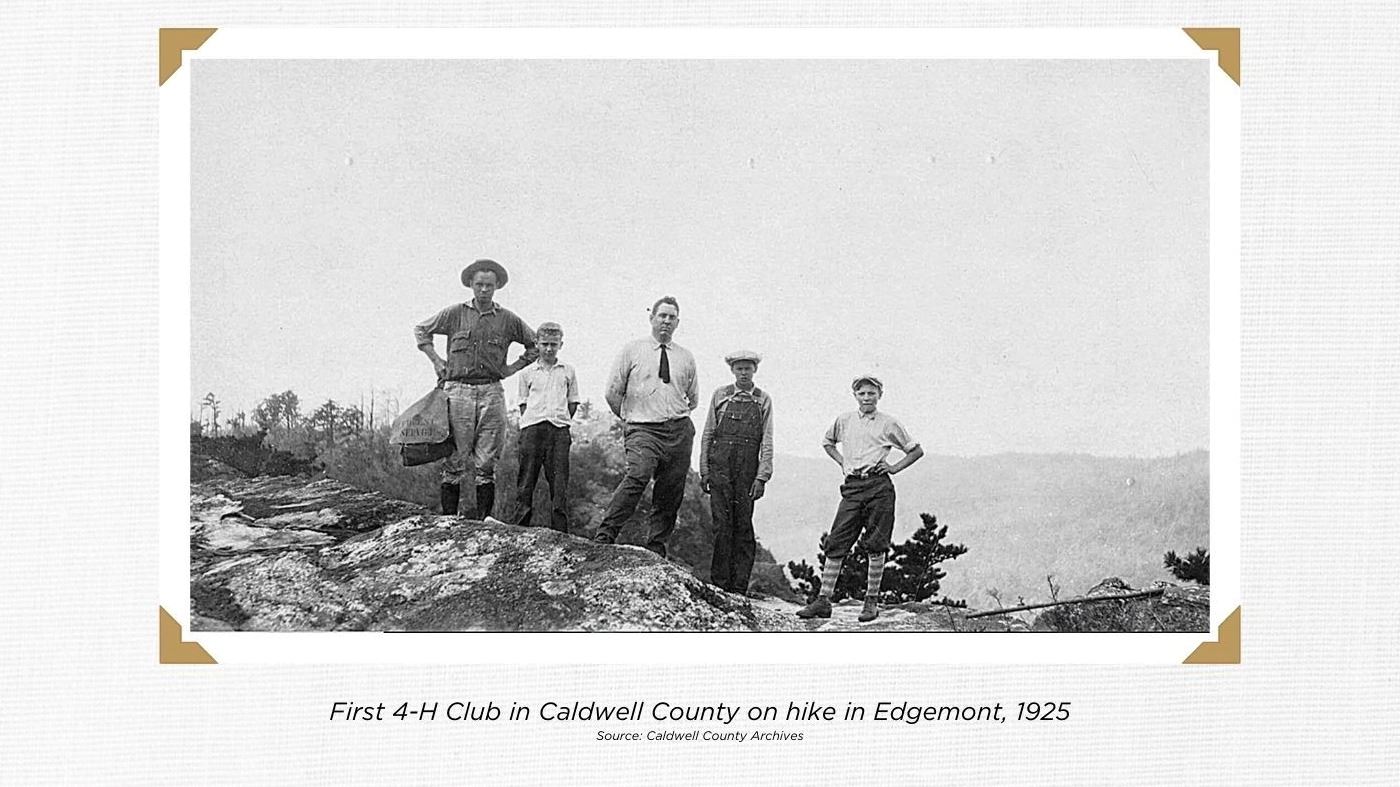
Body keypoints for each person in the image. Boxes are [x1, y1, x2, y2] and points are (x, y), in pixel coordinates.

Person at [413, 258, 537, 518]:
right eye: (479, 284)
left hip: (491, 392)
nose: (484, 290)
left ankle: (483, 522)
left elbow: (535, 344)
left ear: (496, 287)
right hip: (458, 392)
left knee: (486, 462)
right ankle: (448, 521)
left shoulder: (507, 319)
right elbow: (422, 330)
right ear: (470, 284)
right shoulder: (454, 313)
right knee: (455, 459)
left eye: (489, 285)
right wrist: (436, 361)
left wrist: (512, 368)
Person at [797, 375, 924, 623]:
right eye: (862, 393)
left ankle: (871, 602)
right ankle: (823, 600)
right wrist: (843, 462)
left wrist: (894, 468)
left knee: (876, 543)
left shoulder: (889, 423)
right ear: (855, 395)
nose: (867, 398)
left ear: (880, 395)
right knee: (837, 540)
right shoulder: (844, 420)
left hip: (878, 487)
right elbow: (828, 443)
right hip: (853, 487)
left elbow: (916, 450)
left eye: (871, 393)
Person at [594, 296, 699, 556]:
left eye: (671, 317)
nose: (666, 321)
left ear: (678, 322)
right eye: (661, 316)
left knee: (670, 490)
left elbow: (693, 398)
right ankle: (604, 536)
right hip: (643, 429)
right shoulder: (632, 350)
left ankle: (656, 546)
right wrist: (631, 420)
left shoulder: (686, 357)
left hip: (678, 430)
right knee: (638, 475)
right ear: (651, 318)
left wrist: (673, 415)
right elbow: (612, 392)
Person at [699, 350, 774, 595]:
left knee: (743, 526)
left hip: (747, 471)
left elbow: (767, 441)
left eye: (748, 368)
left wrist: (762, 477)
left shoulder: (763, 399)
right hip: (720, 467)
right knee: (722, 525)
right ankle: (720, 585)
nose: (744, 373)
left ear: (755, 370)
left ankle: (739, 587)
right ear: (732, 370)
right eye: (739, 368)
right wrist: (704, 470)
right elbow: (708, 433)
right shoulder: (720, 395)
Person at [514, 321, 580, 533]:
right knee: (526, 479)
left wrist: (560, 421)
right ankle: (520, 525)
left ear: (561, 344)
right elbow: (523, 403)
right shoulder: (527, 372)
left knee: (559, 482)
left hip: (558, 431)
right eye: (545, 344)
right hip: (533, 430)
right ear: (537, 344)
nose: (549, 349)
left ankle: (560, 530)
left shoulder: (568, 371)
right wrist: (533, 422)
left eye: (553, 344)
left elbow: (573, 401)